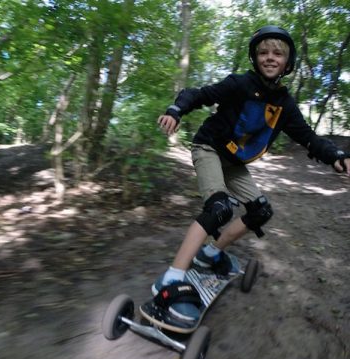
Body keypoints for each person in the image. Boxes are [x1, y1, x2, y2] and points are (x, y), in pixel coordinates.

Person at [141, 25, 350, 325]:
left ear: (288, 63)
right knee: (219, 208)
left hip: (235, 162)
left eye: (277, 53)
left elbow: (308, 138)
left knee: (260, 211)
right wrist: (176, 110)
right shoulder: (239, 84)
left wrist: (337, 156)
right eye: (263, 52)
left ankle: (210, 255)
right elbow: (198, 95)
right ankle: (171, 279)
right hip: (210, 148)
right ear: (255, 57)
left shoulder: (285, 105)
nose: (270, 57)